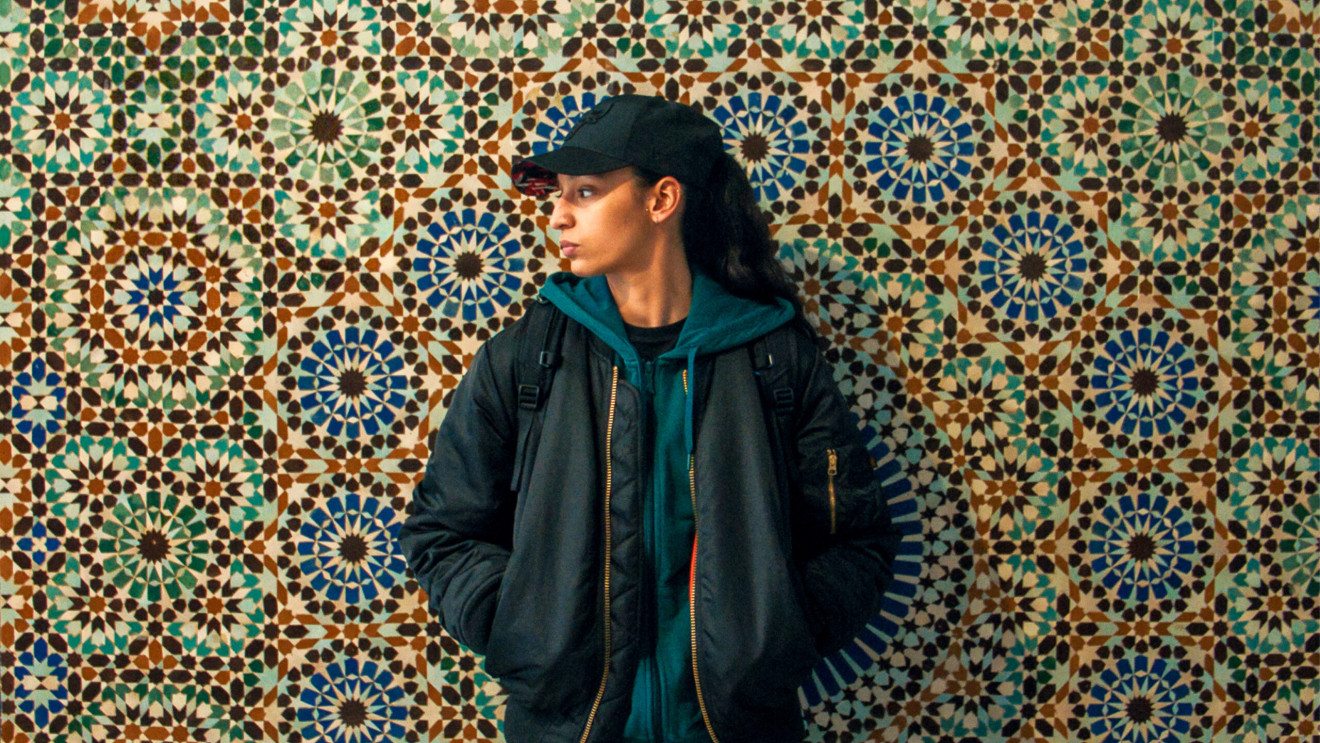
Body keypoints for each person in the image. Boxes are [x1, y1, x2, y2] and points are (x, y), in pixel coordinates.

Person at [399, 94, 906, 743]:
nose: (557, 215)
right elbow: (442, 528)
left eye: (585, 192)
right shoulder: (525, 358)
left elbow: (857, 540)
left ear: (662, 199)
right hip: (565, 729)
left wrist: (779, 631)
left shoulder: (776, 359)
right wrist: (521, 622)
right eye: (558, 194)